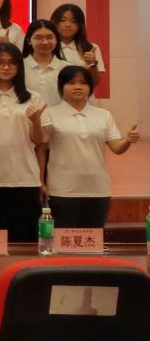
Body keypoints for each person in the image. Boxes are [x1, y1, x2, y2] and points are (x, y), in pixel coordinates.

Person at [40, 66, 140, 229]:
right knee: (63, 240)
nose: (78, 87)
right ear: (61, 86)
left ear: (90, 87)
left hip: (98, 188)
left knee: (93, 240)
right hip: (62, 189)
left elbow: (117, 147)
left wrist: (128, 140)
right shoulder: (50, 114)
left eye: (83, 83)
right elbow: (41, 149)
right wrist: (41, 181)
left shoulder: (103, 115)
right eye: (71, 83)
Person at [0, 43, 46, 242]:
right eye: (0, 62)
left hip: (24, 177)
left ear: (19, 66)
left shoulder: (33, 97)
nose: (6, 67)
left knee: (24, 239)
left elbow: (38, 141)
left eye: (12, 63)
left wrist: (36, 120)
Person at [50, 4, 104, 85]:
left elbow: (95, 83)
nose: (68, 25)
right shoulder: (48, 47)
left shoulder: (91, 48)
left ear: (80, 25)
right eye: (63, 20)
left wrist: (92, 64)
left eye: (74, 21)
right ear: (54, 22)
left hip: (82, 93)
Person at [22, 19, 70, 107]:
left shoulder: (67, 68)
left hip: (57, 115)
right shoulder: (19, 66)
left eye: (49, 37)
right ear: (28, 40)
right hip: (25, 115)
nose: (45, 42)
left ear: (57, 39)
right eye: (38, 38)